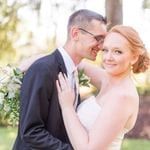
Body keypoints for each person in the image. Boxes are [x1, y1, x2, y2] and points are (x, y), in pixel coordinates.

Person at [13, 9, 107, 150]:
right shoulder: (43, 69)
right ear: (75, 34)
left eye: (103, 40)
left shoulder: (73, 71)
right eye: (98, 38)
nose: (101, 46)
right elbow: (31, 131)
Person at [56, 25, 150, 150]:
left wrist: (67, 107)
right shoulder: (108, 79)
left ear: (134, 57)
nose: (108, 58)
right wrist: (31, 63)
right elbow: (70, 61)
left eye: (118, 51)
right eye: (105, 50)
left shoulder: (123, 97)